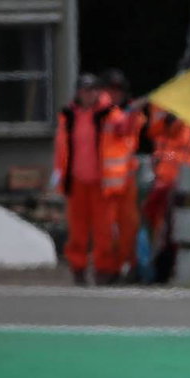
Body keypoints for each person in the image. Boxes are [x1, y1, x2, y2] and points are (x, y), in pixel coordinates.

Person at [51, 73, 119, 285]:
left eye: (91, 90)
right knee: (77, 233)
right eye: (83, 90)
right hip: (77, 181)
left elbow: (127, 134)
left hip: (102, 182)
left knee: (104, 232)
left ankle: (103, 271)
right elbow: (61, 149)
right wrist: (57, 175)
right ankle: (78, 270)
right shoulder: (69, 116)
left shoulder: (111, 115)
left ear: (98, 92)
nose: (87, 94)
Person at [143, 105, 190, 283]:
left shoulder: (189, 128)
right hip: (164, 183)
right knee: (159, 229)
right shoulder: (161, 124)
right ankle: (156, 269)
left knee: (174, 230)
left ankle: (169, 268)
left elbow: (179, 156)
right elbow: (161, 153)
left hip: (181, 185)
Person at [101, 69, 148, 282]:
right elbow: (119, 124)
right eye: (110, 90)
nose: (114, 94)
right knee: (108, 231)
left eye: (117, 91)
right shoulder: (102, 113)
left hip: (126, 181)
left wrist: (134, 110)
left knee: (129, 228)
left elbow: (136, 128)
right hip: (106, 183)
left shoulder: (131, 115)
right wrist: (132, 109)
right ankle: (109, 269)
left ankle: (128, 267)